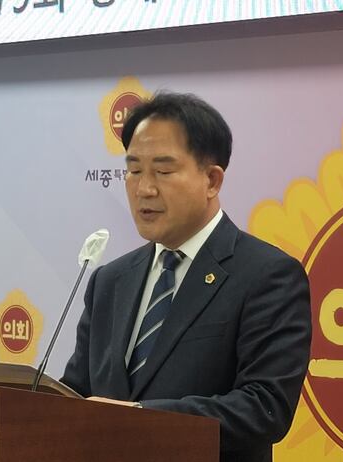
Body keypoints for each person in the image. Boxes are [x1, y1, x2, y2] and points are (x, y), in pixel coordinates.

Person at [62, 92, 311, 462]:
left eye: (163, 172)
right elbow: (76, 394)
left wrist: (140, 419)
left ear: (212, 180)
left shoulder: (267, 275)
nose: (144, 189)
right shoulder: (109, 281)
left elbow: (264, 407)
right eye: (134, 170)